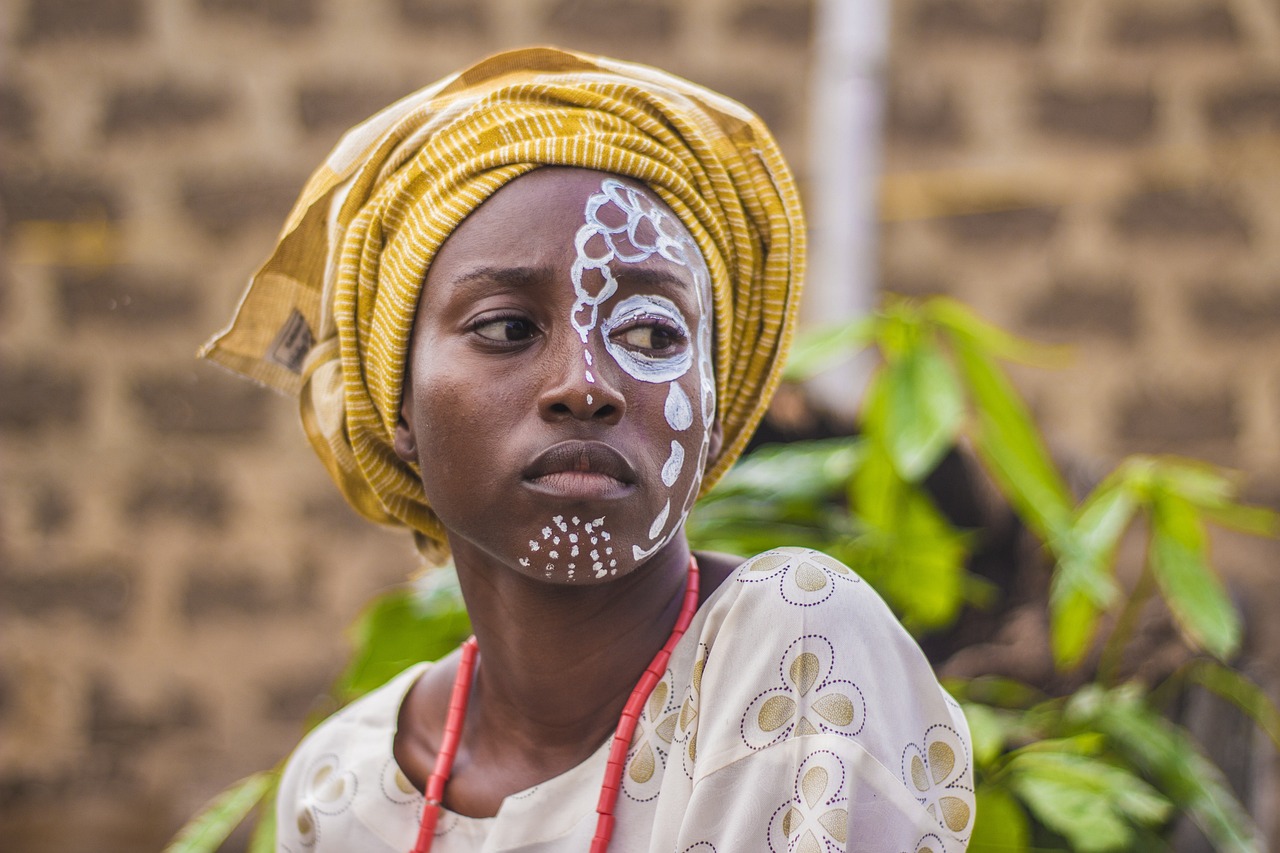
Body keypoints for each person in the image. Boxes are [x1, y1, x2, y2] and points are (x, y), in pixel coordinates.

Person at [203, 47, 973, 853]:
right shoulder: (339, 789)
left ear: (713, 412)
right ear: (394, 400)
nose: (585, 383)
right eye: (506, 327)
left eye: (650, 332)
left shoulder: (792, 648)